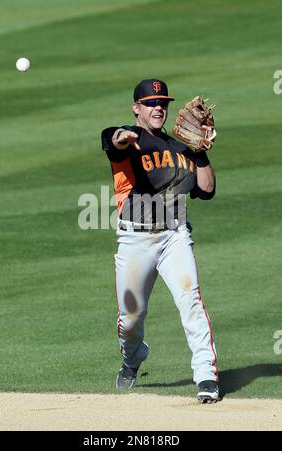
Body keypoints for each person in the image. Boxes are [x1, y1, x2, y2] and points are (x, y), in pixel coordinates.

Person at [101, 79, 219, 403]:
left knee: (190, 298)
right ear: (136, 108)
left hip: (174, 236)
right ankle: (132, 359)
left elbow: (207, 190)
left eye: (163, 103)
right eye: (151, 102)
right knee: (130, 320)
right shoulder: (131, 139)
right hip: (135, 239)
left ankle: (206, 376)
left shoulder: (181, 148)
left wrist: (201, 152)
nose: (158, 108)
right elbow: (109, 139)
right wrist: (122, 136)